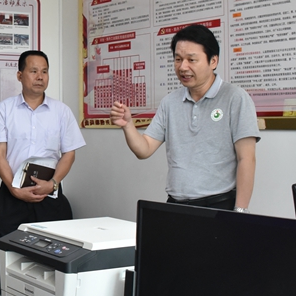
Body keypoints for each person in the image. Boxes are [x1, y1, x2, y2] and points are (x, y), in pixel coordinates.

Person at [111, 24, 259, 211]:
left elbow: (247, 159)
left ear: (213, 61)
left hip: (219, 206)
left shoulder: (235, 98)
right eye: (178, 59)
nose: (183, 67)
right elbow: (144, 149)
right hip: (176, 204)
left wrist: (240, 212)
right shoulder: (170, 102)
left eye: (192, 60)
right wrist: (128, 125)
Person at [0, 50, 85, 239]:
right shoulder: (4, 109)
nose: (40, 77)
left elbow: (69, 154)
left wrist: (53, 184)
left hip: (49, 194)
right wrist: (15, 190)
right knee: (9, 250)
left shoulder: (61, 111)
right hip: (12, 193)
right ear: (19, 75)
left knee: (53, 251)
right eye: (33, 71)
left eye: (44, 71)